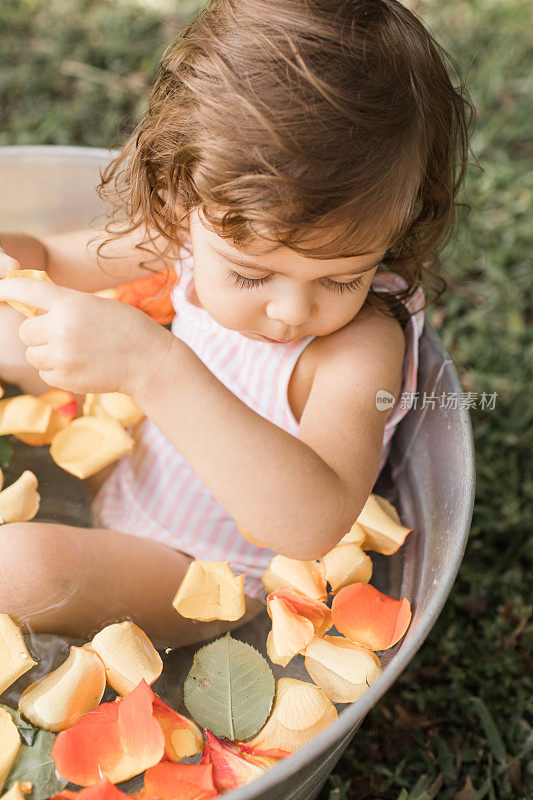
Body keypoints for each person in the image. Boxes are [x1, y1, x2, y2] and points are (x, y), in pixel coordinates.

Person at [0, 0, 471, 649]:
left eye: (342, 278)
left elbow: (312, 524)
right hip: (126, 455)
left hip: (200, 569)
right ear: (178, 194)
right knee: (10, 332)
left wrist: (153, 365)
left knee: (17, 570)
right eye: (249, 275)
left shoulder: (359, 343)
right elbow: (50, 260)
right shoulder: (194, 228)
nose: (292, 312)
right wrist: (11, 257)